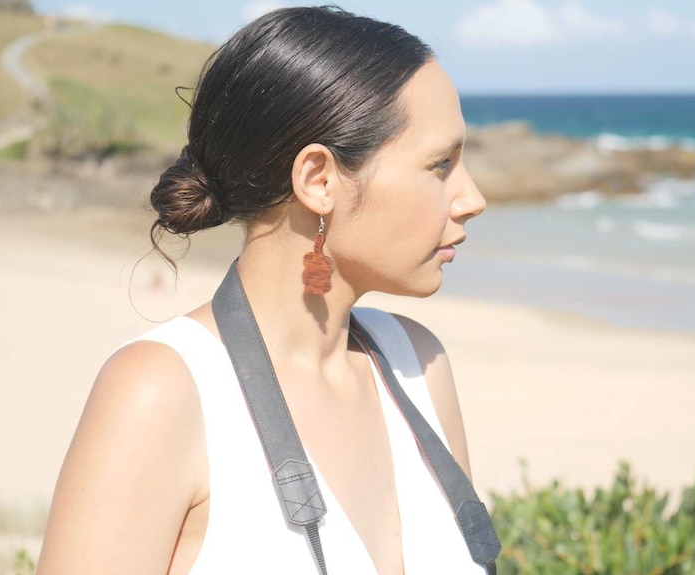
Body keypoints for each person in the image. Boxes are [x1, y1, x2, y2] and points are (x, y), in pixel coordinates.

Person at [36, 6, 487, 575]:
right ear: (319, 180)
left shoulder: (419, 364)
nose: (473, 198)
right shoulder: (162, 391)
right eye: (441, 165)